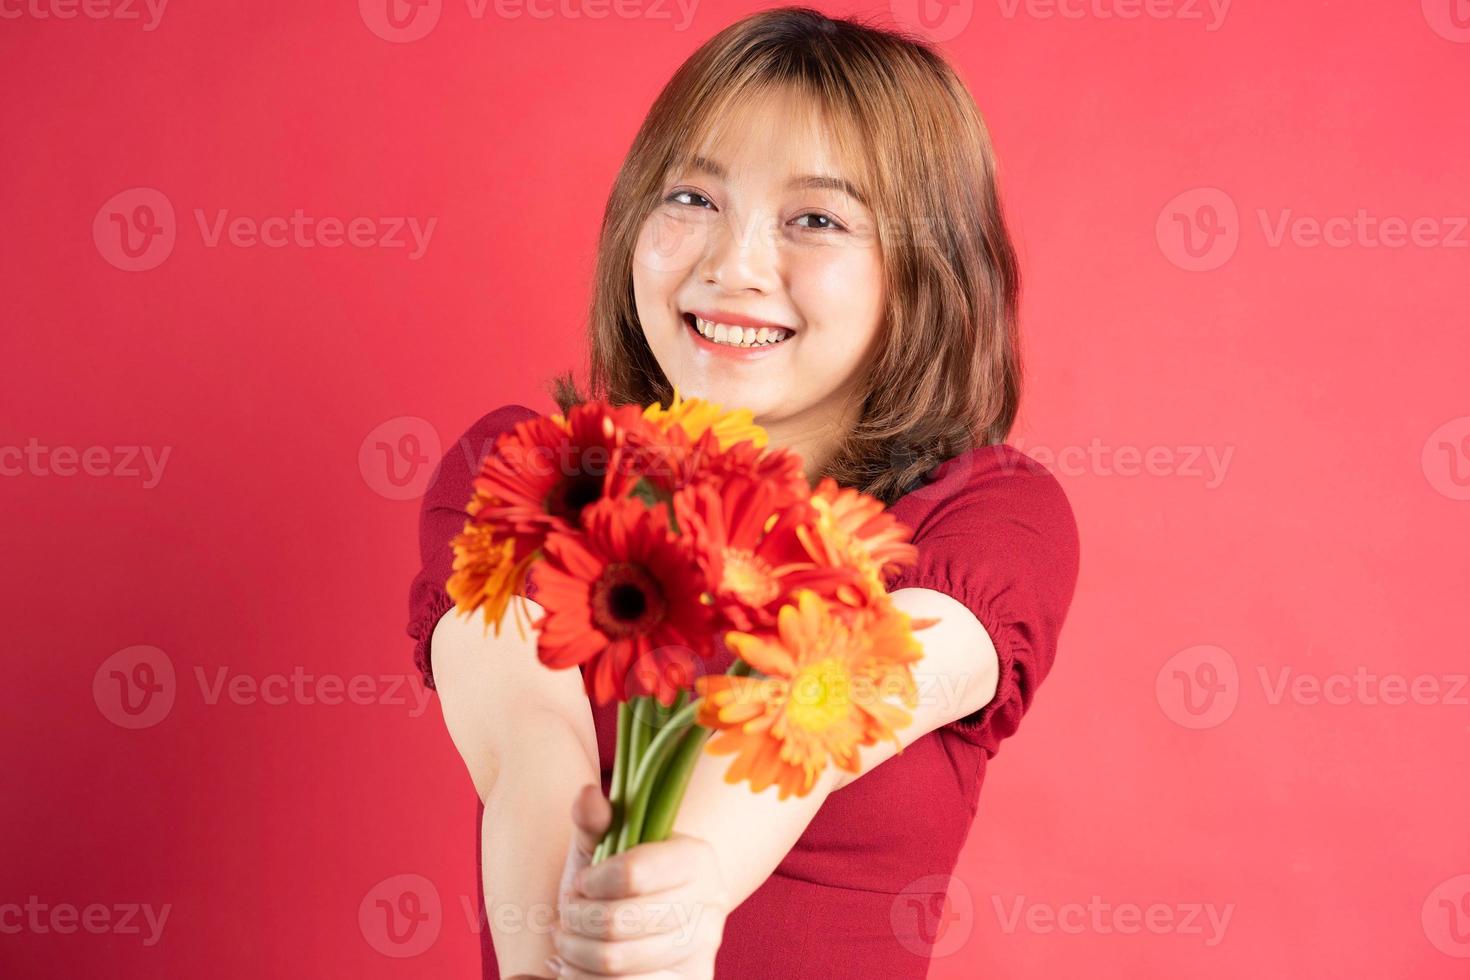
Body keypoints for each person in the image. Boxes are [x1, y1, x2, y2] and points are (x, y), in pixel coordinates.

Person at [406, 8, 1081, 978]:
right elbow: (527, 742)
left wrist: (689, 886)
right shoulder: (524, 469)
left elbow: (834, 695)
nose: (732, 265)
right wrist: (576, 955)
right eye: (691, 196)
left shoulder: (989, 516)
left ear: (925, 271)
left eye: (816, 218)